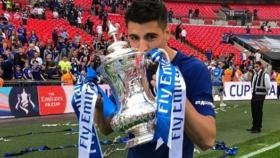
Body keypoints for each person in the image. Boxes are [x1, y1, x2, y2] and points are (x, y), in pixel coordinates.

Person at [95, 1, 216, 158]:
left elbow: (207, 140)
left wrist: (175, 93)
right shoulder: (129, 67)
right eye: (134, 38)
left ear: (167, 33)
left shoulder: (192, 69)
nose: (142, 47)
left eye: (151, 37)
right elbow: (107, 128)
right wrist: (98, 105)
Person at [247, 61, 271, 133]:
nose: (256, 68)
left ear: (260, 66)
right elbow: (253, 83)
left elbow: (268, 86)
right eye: (255, 67)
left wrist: (264, 93)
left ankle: (258, 128)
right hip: (254, 94)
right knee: (253, 111)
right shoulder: (254, 74)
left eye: (257, 66)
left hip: (260, 95)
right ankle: (254, 126)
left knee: (258, 111)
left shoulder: (265, 75)